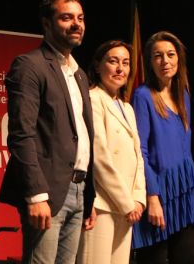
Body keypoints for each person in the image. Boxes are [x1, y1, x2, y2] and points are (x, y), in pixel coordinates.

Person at [0, 0, 96, 264]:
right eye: (66, 18)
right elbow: (21, 135)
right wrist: (35, 194)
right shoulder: (30, 65)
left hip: (78, 190)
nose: (76, 24)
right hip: (48, 191)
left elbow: (82, 136)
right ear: (46, 23)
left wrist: (89, 196)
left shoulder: (79, 74)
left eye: (80, 18)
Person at [131, 31, 194, 264]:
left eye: (170, 55)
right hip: (159, 193)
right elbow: (140, 150)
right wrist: (152, 196)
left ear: (178, 59)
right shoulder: (143, 96)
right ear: (150, 62)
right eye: (158, 56)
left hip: (185, 191)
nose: (165, 61)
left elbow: (186, 149)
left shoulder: (183, 95)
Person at [77, 40, 146, 264]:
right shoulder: (92, 98)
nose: (120, 69)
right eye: (113, 61)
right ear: (98, 66)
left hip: (127, 208)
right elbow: (100, 157)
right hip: (103, 204)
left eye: (125, 63)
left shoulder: (127, 107)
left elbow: (138, 158)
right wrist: (126, 202)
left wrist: (138, 199)